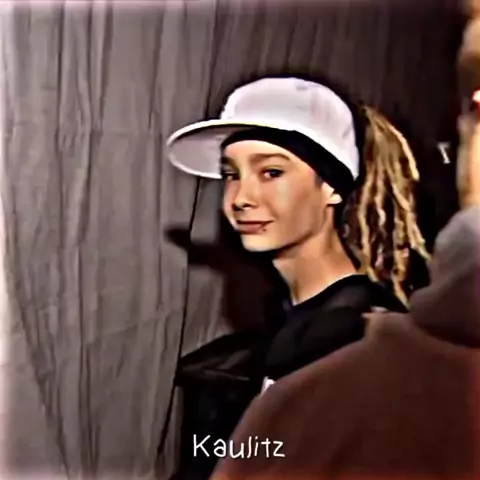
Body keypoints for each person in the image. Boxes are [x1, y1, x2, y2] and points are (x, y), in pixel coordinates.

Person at [165, 73, 430, 479]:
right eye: (232, 174)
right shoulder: (285, 332)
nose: (240, 198)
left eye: (271, 172)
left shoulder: (368, 346)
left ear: (332, 187)